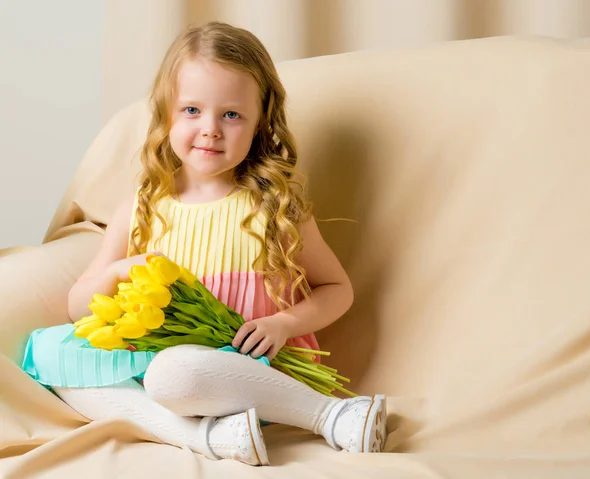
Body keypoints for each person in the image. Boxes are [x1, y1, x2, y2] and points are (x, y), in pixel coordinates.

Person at [21, 21, 387, 466]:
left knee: (175, 372)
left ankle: (332, 415)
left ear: (259, 124)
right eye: (192, 110)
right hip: (152, 369)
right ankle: (209, 439)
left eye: (231, 115)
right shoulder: (143, 207)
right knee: (50, 352)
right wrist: (116, 274)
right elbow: (79, 307)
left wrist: (284, 324)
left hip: (244, 371)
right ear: (166, 115)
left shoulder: (272, 208)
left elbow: (337, 288)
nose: (210, 129)